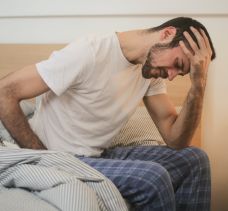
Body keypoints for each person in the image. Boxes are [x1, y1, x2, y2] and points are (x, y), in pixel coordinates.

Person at [0, 17, 216, 210]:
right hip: (62, 156)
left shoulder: (150, 73)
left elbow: (175, 139)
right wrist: (45, 157)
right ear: (167, 33)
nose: (171, 76)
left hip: (97, 156)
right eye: (177, 65)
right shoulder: (90, 52)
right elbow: (5, 92)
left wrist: (198, 84)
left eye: (180, 74)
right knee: (153, 177)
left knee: (195, 160)